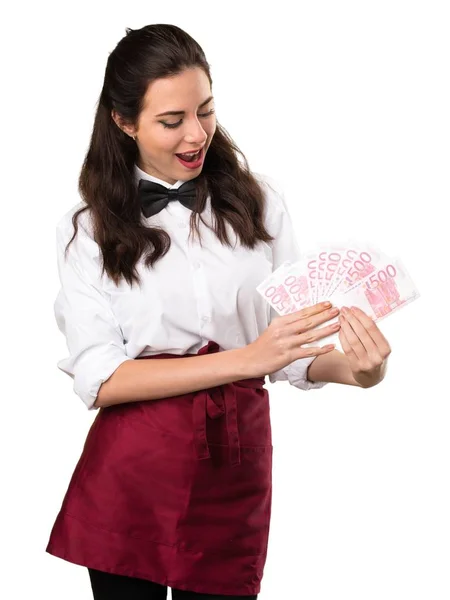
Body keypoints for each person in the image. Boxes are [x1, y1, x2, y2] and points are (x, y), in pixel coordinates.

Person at [45, 23, 392, 600]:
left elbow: (289, 354)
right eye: (171, 120)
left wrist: (360, 372)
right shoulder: (86, 231)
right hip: (134, 469)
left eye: (206, 110)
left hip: (235, 463)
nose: (197, 134)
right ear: (123, 121)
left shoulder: (260, 202)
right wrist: (247, 359)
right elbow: (102, 379)